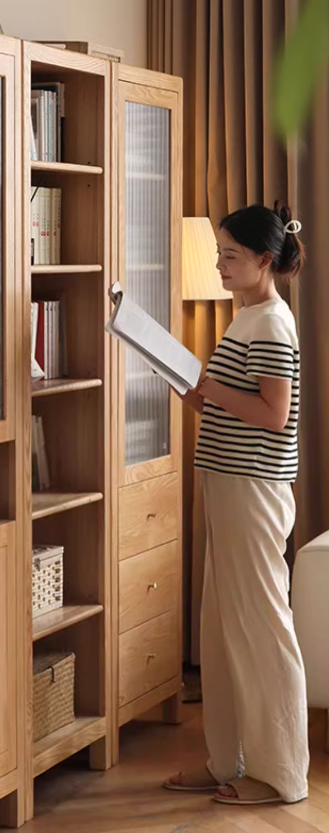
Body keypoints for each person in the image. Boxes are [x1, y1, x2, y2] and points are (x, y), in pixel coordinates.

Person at [164, 202, 309, 806]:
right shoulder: (244, 319)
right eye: (218, 252)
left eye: (229, 255)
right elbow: (229, 404)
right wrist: (187, 383)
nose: (218, 263)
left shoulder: (271, 323)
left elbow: (275, 418)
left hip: (253, 491)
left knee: (262, 630)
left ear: (264, 262)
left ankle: (281, 777)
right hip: (227, 484)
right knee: (222, 631)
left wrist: (208, 384)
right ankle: (227, 761)